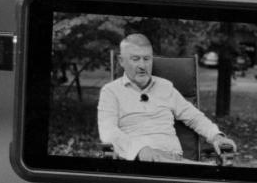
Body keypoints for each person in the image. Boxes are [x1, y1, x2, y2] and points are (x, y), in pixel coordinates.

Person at [97, 33, 236, 162]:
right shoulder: (110, 92)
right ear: (121, 61)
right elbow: (108, 132)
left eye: (147, 59)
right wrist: (140, 150)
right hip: (136, 162)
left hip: (174, 161)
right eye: (135, 59)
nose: (142, 66)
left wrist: (217, 136)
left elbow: (194, 117)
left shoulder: (165, 87)